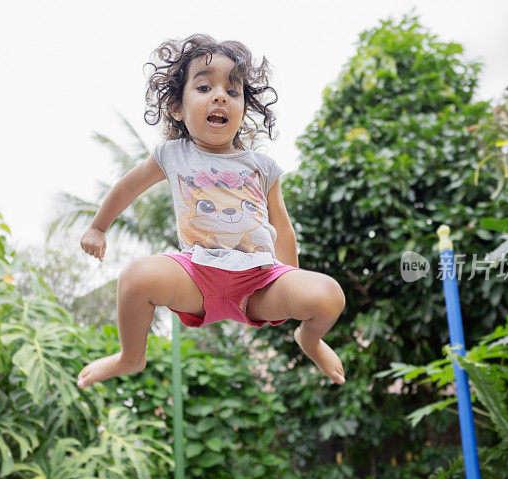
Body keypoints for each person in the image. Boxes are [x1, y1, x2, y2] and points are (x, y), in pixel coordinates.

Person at [77, 34, 346, 389]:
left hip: (259, 282)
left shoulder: (262, 167)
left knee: (329, 296)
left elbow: (282, 227)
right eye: (204, 87)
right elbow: (129, 186)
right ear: (177, 106)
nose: (220, 95)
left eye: (233, 92)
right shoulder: (172, 154)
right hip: (197, 274)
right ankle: (130, 357)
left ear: (243, 109)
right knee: (136, 276)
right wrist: (98, 227)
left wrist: (289, 279)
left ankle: (308, 340)